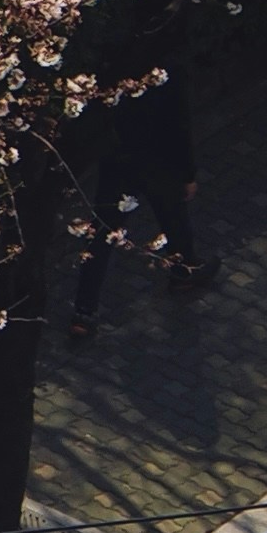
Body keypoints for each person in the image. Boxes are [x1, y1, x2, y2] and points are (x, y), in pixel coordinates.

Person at [71, 52, 200, 339]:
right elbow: (180, 125)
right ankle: (184, 270)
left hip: (120, 159)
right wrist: (188, 173)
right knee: (172, 216)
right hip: (157, 159)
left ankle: (84, 310)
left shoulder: (117, 63)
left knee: (103, 233)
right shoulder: (170, 72)